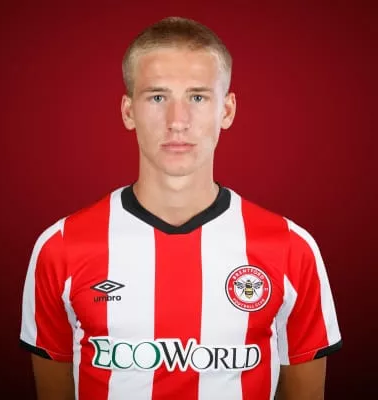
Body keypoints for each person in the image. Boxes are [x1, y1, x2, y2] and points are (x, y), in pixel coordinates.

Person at [19, 16, 342, 400]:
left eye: (197, 97)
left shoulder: (290, 248)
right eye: (158, 97)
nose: (177, 122)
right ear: (128, 111)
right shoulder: (61, 246)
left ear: (227, 110)